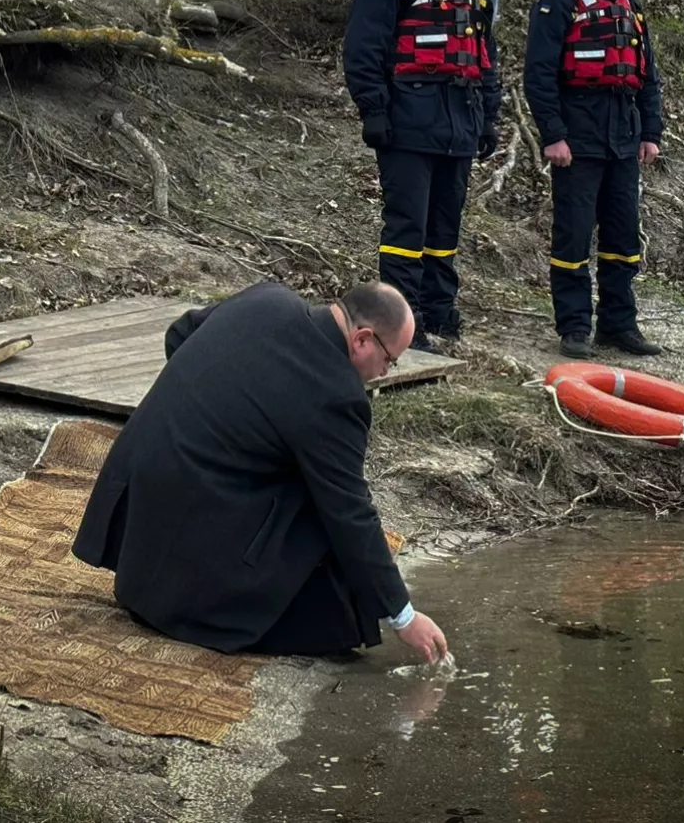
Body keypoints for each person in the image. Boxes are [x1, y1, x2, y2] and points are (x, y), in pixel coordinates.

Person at [73, 280, 449, 663]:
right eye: (390, 360)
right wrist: (403, 616)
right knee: (323, 550)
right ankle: (200, 605)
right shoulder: (336, 395)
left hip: (134, 521)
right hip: (190, 559)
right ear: (363, 340)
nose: (385, 372)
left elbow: (180, 334)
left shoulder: (267, 299)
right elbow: (350, 512)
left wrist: (210, 410)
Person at [344, 0, 502, 348]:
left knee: (445, 226)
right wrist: (373, 108)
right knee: (406, 226)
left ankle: (437, 309)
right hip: (408, 119)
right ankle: (399, 322)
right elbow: (363, 44)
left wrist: (489, 116)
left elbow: (484, 51)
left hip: (461, 118)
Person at [524, 0, 663, 358]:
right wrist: (554, 135)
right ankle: (575, 327)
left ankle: (619, 324)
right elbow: (539, 76)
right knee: (573, 236)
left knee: (622, 237)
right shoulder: (558, 2)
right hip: (577, 142)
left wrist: (650, 132)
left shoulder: (630, 3)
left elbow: (648, 77)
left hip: (623, 138)